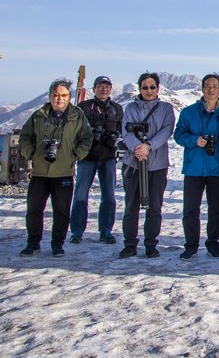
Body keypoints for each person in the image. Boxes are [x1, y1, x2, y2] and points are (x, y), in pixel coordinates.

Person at [19, 78, 93, 256]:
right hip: (39, 171)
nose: (60, 99)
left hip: (64, 171)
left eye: (64, 95)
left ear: (69, 96)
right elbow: (25, 136)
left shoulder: (77, 116)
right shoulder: (39, 115)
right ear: (50, 96)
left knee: (61, 211)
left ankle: (57, 244)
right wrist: (31, 154)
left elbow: (87, 137)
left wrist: (75, 155)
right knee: (34, 209)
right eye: (56, 95)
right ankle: (33, 242)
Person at [174, 73, 219, 260]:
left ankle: (213, 243)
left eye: (214, 86)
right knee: (190, 209)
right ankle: (191, 245)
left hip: (216, 167)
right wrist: (195, 140)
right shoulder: (188, 112)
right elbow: (178, 135)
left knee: (217, 208)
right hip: (194, 167)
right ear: (202, 88)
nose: (211, 89)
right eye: (207, 86)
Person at [119, 72, 176, 258]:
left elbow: (167, 130)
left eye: (152, 87)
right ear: (140, 88)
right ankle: (130, 244)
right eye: (145, 87)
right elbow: (126, 132)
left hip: (157, 164)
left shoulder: (166, 108)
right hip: (133, 162)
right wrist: (138, 147)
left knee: (154, 206)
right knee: (131, 206)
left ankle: (151, 243)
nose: (149, 91)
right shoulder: (130, 108)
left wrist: (148, 146)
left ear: (158, 89)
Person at [70, 75, 124, 245]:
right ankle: (77, 232)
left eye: (107, 86)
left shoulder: (117, 108)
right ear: (94, 89)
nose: (104, 89)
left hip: (108, 157)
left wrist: (113, 138)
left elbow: (122, 131)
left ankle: (106, 231)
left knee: (108, 196)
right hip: (87, 156)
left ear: (111, 89)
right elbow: (74, 130)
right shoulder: (83, 107)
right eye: (100, 86)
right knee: (80, 195)